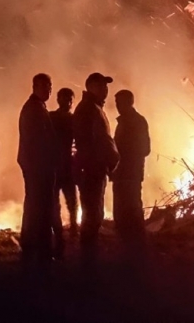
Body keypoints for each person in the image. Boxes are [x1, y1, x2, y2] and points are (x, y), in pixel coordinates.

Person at [73, 72, 119, 264]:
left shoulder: (93, 108)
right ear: (91, 87)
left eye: (106, 86)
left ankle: (89, 258)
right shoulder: (88, 109)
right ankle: (88, 262)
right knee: (92, 214)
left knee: (94, 213)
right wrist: (109, 159)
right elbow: (94, 141)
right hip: (92, 169)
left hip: (95, 168)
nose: (105, 90)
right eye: (101, 86)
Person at [18, 73, 57, 267]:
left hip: (36, 166)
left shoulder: (36, 107)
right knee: (40, 208)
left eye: (50, 87)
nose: (49, 90)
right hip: (38, 167)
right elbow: (39, 141)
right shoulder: (34, 109)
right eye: (45, 87)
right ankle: (40, 250)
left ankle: (32, 247)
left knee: (35, 206)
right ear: (35, 87)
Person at [111, 89, 150, 253]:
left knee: (130, 210)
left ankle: (135, 248)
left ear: (129, 102)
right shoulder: (125, 122)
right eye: (116, 103)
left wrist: (122, 156)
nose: (117, 106)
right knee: (125, 210)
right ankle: (130, 247)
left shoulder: (136, 122)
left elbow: (145, 149)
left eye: (120, 103)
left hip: (129, 174)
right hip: (124, 174)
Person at [49, 88, 78, 259]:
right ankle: (61, 234)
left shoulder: (71, 119)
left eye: (69, 99)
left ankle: (69, 231)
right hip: (58, 167)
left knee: (70, 202)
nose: (67, 102)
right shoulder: (53, 118)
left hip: (64, 166)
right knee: (61, 203)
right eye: (64, 98)